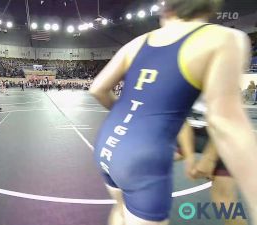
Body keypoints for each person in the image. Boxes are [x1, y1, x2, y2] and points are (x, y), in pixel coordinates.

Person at [89, 0, 257, 224]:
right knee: (224, 199)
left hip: (108, 145)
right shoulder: (224, 39)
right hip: (146, 156)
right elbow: (225, 123)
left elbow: (98, 89)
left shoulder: (139, 42)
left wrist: (135, 119)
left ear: (167, 9)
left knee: (120, 210)